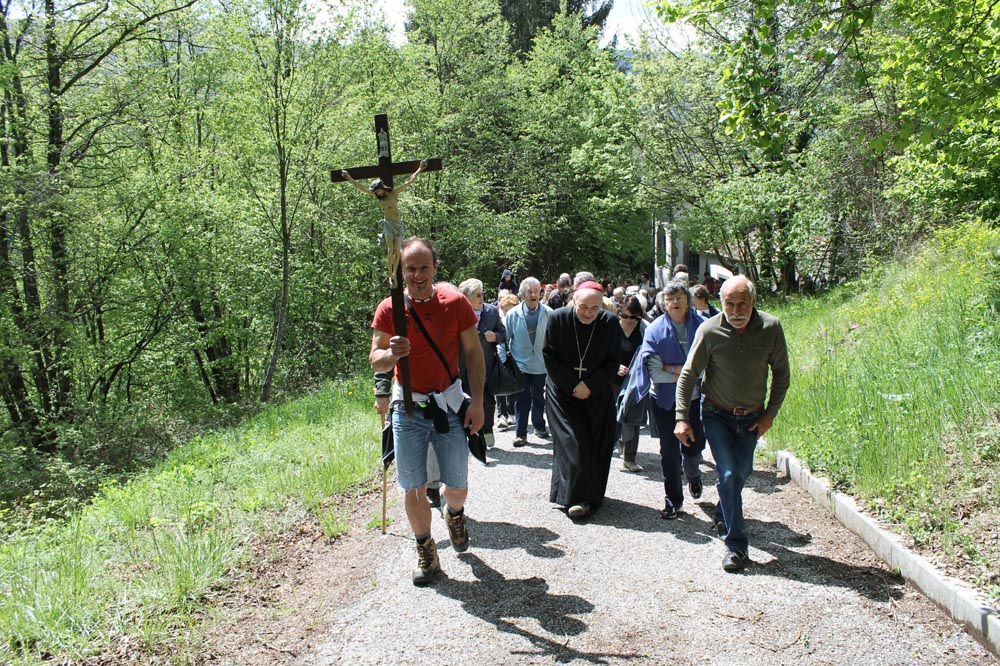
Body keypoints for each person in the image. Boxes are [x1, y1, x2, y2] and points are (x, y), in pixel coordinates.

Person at [370, 237, 485, 585]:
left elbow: (474, 353)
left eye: (424, 267)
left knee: (457, 485)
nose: (417, 275)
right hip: (407, 408)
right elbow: (376, 359)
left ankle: (454, 513)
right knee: (413, 486)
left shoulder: (455, 303)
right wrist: (392, 354)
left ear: (435, 268)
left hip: (448, 404)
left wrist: (477, 402)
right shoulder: (389, 308)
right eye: (410, 268)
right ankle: (426, 550)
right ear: (400, 271)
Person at [674, 275, 790, 573]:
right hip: (717, 415)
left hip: (752, 418)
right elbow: (688, 375)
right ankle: (736, 545)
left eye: (742, 304)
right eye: (729, 304)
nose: (736, 311)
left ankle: (723, 511)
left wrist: (769, 414)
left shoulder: (771, 328)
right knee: (727, 473)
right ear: (721, 302)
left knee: (741, 473)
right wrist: (681, 416)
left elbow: (781, 374)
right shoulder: (709, 330)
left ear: (753, 302)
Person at [544, 281, 623, 519]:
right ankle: (575, 499)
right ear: (574, 302)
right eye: (583, 307)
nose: (589, 313)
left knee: (597, 443)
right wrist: (572, 385)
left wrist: (590, 385)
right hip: (562, 392)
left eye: (594, 308)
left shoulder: (609, 323)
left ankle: (592, 496)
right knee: (573, 442)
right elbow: (549, 355)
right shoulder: (558, 318)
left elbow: (613, 361)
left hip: (596, 392)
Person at [635, 281, 707, 520]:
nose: (675, 302)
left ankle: (693, 475)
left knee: (693, 448)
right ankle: (673, 500)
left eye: (679, 298)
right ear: (663, 303)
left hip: (695, 399)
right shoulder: (654, 330)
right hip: (664, 400)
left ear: (688, 301)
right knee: (669, 452)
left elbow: (707, 368)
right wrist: (688, 371)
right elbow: (656, 373)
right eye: (670, 299)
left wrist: (673, 368)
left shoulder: (703, 327)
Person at [342, 160, 427, 287]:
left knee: (397, 252)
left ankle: (394, 273)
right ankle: (391, 276)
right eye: (375, 192)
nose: (377, 193)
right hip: (387, 225)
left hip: (397, 225)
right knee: (390, 250)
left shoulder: (393, 194)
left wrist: (420, 168)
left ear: (382, 188)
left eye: (378, 191)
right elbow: (361, 187)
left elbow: (408, 182)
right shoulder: (378, 197)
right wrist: (349, 178)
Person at [458, 278, 505, 449]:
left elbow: (504, 333)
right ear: (467, 297)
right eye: (477, 295)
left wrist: (496, 337)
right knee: (468, 399)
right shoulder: (458, 313)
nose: (481, 298)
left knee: (488, 401)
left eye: (482, 294)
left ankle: (488, 428)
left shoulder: (491, 311)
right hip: (464, 366)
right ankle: (472, 435)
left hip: (487, 365)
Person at [506, 277, 552, 447]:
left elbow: (555, 340)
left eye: (536, 291)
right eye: (529, 292)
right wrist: (506, 362)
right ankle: (521, 434)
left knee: (539, 397)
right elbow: (505, 339)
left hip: (541, 364)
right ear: (523, 294)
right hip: (521, 365)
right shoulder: (513, 314)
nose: (533, 295)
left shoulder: (549, 313)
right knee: (522, 399)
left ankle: (539, 427)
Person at [612, 295, 648, 472]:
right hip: (612, 380)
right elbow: (600, 353)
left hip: (635, 381)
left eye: (633, 317)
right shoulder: (611, 327)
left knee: (632, 417)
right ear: (619, 313)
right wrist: (614, 367)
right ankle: (613, 444)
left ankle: (630, 458)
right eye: (624, 316)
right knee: (613, 417)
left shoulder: (643, 328)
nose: (628, 320)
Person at [495, 291, 520, 430]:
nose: (507, 312)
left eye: (509, 309)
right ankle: (501, 415)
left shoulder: (519, 319)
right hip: (500, 355)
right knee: (499, 386)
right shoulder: (497, 319)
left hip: (514, 356)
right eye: (505, 310)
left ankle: (511, 413)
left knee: (512, 385)